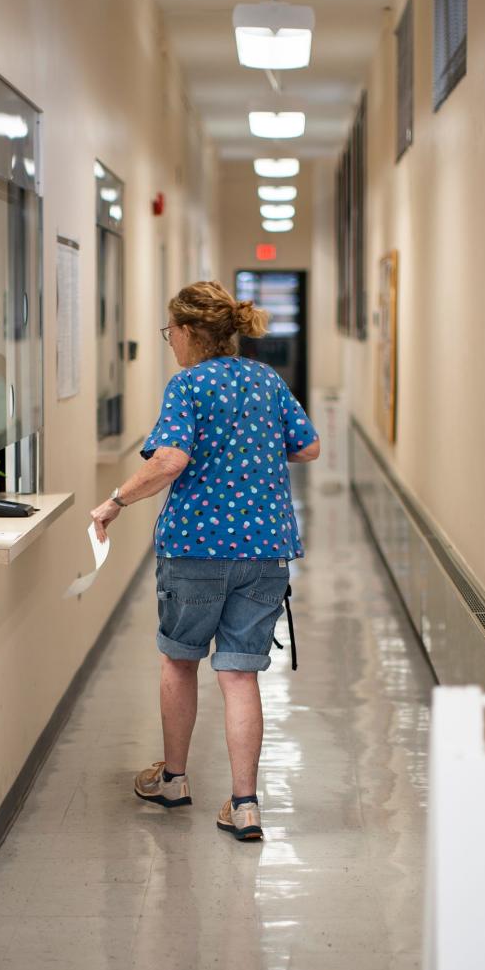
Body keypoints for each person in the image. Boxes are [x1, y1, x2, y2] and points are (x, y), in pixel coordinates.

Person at [90, 281, 320, 842]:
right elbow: (308, 446)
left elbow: (170, 458)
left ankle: (173, 780)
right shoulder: (267, 381)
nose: (171, 344)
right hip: (265, 549)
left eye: (172, 333)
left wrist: (116, 500)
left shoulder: (188, 384)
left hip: (196, 547)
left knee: (180, 661)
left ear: (190, 333)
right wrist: (255, 446)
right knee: (240, 674)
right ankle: (245, 805)